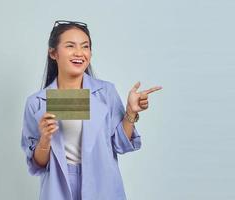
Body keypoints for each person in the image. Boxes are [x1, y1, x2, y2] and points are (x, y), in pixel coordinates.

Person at [21, 20, 162, 200]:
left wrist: (130, 112)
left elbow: (119, 144)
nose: (79, 53)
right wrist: (45, 139)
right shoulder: (37, 103)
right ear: (53, 53)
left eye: (85, 46)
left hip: (101, 183)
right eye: (70, 46)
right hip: (59, 187)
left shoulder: (106, 93)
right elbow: (38, 165)